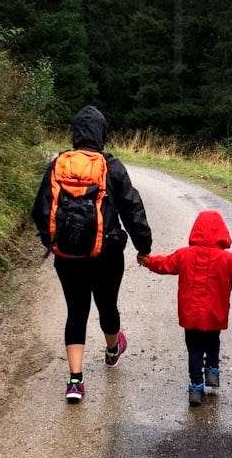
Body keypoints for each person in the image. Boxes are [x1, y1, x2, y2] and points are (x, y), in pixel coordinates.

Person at [31, 105, 153, 403]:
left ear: (75, 133)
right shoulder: (111, 167)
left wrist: (54, 241)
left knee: (76, 311)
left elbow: (40, 210)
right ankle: (113, 349)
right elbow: (132, 208)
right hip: (106, 254)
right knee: (107, 305)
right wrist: (144, 247)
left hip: (67, 256)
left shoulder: (58, 164)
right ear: (102, 134)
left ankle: (75, 380)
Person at [140, 209, 232, 406]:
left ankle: (196, 387)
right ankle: (212, 370)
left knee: (194, 348)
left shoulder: (184, 255)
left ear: (195, 231)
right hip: (215, 314)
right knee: (213, 340)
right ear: (222, 232)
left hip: (190, 315)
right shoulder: (227, 260)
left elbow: (164, 264)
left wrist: (147, 261)